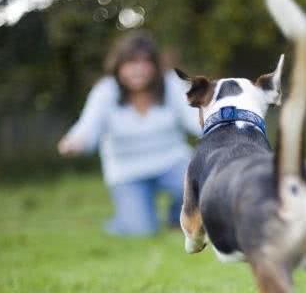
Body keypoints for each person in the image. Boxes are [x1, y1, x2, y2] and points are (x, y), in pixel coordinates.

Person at [58, 30, 200, 236]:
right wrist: (74, 141)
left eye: (145, 62)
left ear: (155, 65)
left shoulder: (171, 84)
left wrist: (224, 128)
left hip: (172, 162)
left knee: (202, 182)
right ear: (119, 66)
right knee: (141, 231)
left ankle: (175, 218)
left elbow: (196, 119)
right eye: (131, 62)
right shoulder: (105, 91)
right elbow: (87, 127)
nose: (138, 69)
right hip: (127, 172)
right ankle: (123, 220)